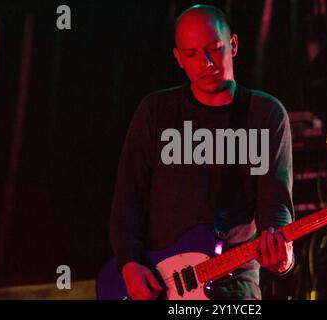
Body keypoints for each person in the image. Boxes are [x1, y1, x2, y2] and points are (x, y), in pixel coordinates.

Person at [110, 4, 294, 300]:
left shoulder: (264, 113)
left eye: (214, 49)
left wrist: (281, 254)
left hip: (235, 285)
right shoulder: (156, 111)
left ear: (233, 45)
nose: (205, 63)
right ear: (178, 58)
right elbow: (127, 198)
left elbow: (276, 203)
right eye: (192, 54)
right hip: (161, 284)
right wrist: (129, 263)